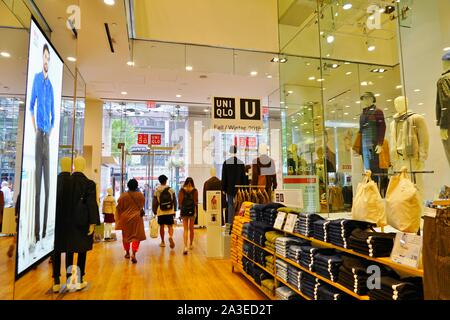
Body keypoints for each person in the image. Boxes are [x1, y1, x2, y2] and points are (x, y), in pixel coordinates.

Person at [30, 43, 55, 244]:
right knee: (38, 188)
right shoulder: (37, 80)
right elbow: (31, 106)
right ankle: (37, 232)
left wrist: (50, 131)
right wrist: (36, 130)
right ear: (42, 58)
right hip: (39, 134)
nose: (46, 60)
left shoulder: (52, 86)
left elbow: (54, 114)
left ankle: (45, 232)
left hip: (48, 135)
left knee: (48, 187)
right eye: (45, 57)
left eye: (49, 58)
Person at [116, 179, 146, 263]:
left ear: (128, 186)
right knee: (136, 236)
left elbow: (119, 208)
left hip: (125, 219)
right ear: (136, 186)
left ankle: (127, 253)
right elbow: (142, 205)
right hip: (137, 218)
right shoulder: (140, 195)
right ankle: (134, 253)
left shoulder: (123, 196)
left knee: (126, 236)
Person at [152, 175, 177, 249]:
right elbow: (174, 201)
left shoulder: (157, 190)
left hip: (161, 211)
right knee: (170, 226)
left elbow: (155, 202)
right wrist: (175, 210)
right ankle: (170, 236)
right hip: (170, 210)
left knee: (161, 226)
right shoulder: (171, 190)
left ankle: (162, 242)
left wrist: (154, 211)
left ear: (159, 181)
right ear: (166, 181)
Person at [178, 177, 198, 255]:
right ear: (192, 182)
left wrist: (181, 211)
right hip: (192, 211)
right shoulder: (195, 190)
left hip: (184, 212)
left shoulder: (182, 190)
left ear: (185, 182)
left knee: (185, 229)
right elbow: (196, 202)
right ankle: (191, 244)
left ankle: (185, 246)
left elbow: (180, 202)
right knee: (191, 228)